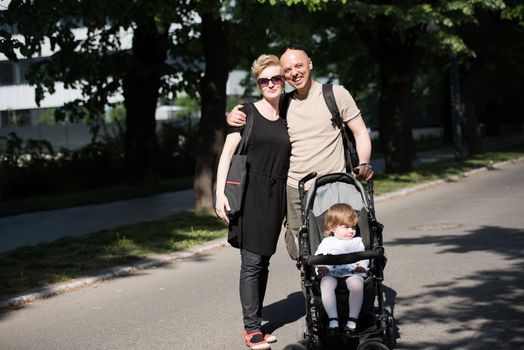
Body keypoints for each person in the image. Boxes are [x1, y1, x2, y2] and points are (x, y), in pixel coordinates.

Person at [227, 46, 374, 260]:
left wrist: (364, 162)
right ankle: (313, 290)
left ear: (310, 64)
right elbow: (258, 113)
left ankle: (344, 286)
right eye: (287, 70)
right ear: (283, 76)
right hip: (295, 188)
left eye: (299, 66)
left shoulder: (335, 94)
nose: (294, 72)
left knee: (342, 241)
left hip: (333, 185)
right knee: (302, 247)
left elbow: (360, 131)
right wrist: (232, 116)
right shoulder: (283, 103)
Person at [215, 54, 290, 350]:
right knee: (252, 261)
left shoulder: (289, 111)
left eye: (276, 79)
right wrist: (219, 192)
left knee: (265, 259)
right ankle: (251, 329)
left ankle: (256, 322)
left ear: (283, 81)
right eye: (264, 80)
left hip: (278, 192)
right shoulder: (246, 112)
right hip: (250, 191)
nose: (271, 84)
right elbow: (227, 153)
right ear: (258, 84)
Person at [314, 203, 369, 336]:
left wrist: (361, 265)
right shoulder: (327, 242)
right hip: (331, 272)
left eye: (353, 227)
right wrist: (321, 266)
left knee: (356, 284)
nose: (351, 231)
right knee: (326, 284)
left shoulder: (357, 242)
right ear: (332, 227)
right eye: (346, 227)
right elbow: (318, 257)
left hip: (352, 272)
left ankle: (352, 320)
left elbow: (364, 256)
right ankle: (333, 320)